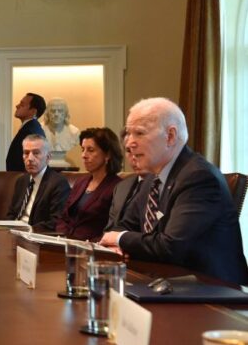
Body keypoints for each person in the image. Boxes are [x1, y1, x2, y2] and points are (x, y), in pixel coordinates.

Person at [100, 98, 248, 284]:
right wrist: (118, 244)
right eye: (127, 134)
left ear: (170, 136)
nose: (129, 143)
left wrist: (119, 239)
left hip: (212, 292)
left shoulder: (199, 177)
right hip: (165, 281)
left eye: (139, 133)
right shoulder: (152, 179)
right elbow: (124, 226)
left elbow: (170, 246)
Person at [55, 128, 123, 241]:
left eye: (90, 150)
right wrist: (63, 237)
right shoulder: (81, 182)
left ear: (107, 155)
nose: (84, 155)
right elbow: (64, 216)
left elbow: (112, 229)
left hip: (91, 249)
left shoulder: (118, 187)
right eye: (83, 149)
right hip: (65, 242)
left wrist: (86, 245)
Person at [5, 134, 70, 231]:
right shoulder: (21, 180)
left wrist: (29, 229)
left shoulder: (58, 183)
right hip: (14, 233)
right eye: (26, 153)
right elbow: (12, 214)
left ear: (48, 157)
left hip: (36, 235)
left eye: (36, 153)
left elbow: (56, 221)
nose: (30, 158)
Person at [104, 144, 153, 232]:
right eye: (129, 151)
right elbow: (109, 228)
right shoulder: (121, 186)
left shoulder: (161, 186)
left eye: (139, 150)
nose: (134, 157)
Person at [6, 93, 46, 172]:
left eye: (22, 104)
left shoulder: (30, 131)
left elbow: (31, 163)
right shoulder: (31, 127)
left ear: (33, 111)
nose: (17, 106)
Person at [41, 97, 81, 168]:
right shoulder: (39, 129)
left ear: (65, 113)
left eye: (60, 111)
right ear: (47, 113)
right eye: (53, 111)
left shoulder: (74, 132)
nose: (56, 114)